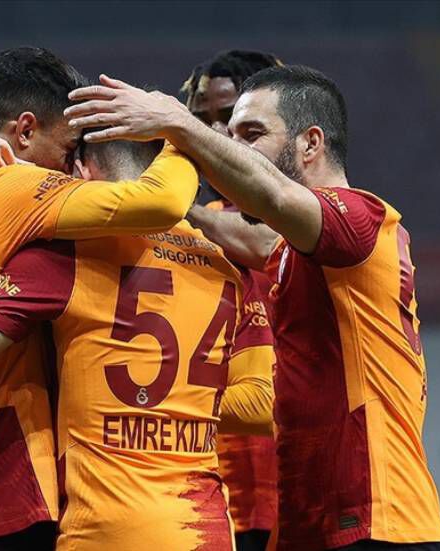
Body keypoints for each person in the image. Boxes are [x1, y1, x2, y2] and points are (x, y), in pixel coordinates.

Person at [65, 67, 440, 551]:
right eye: (230, 136)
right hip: (311, 526)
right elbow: (253, 233)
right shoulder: (292, 251)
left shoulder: (360, 216)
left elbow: (272, 195)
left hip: (380, 521)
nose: (234, 148)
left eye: (251, 134)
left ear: (311, 144)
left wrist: (177, 122)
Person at [0, 46, 200, 551]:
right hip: (13, 492)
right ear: (25, 131)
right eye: (68, 150)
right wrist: (184, 135)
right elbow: (157, 202)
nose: (72, 169)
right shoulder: (11, 188)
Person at [0, 133, 274, 551]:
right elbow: (263, 402)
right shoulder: (226, 263)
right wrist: (177, 405)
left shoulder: (66, 254)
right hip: (205, 529)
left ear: (81, 170)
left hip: (103, 531)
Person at [181, 49, 283, 551]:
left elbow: (270, 243)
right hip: (212, 502)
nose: (215, 134)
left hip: (308, 497)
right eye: (202, 122)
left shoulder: (326, 216)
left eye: (231, 119)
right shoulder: (185, 231)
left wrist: (177, 207)